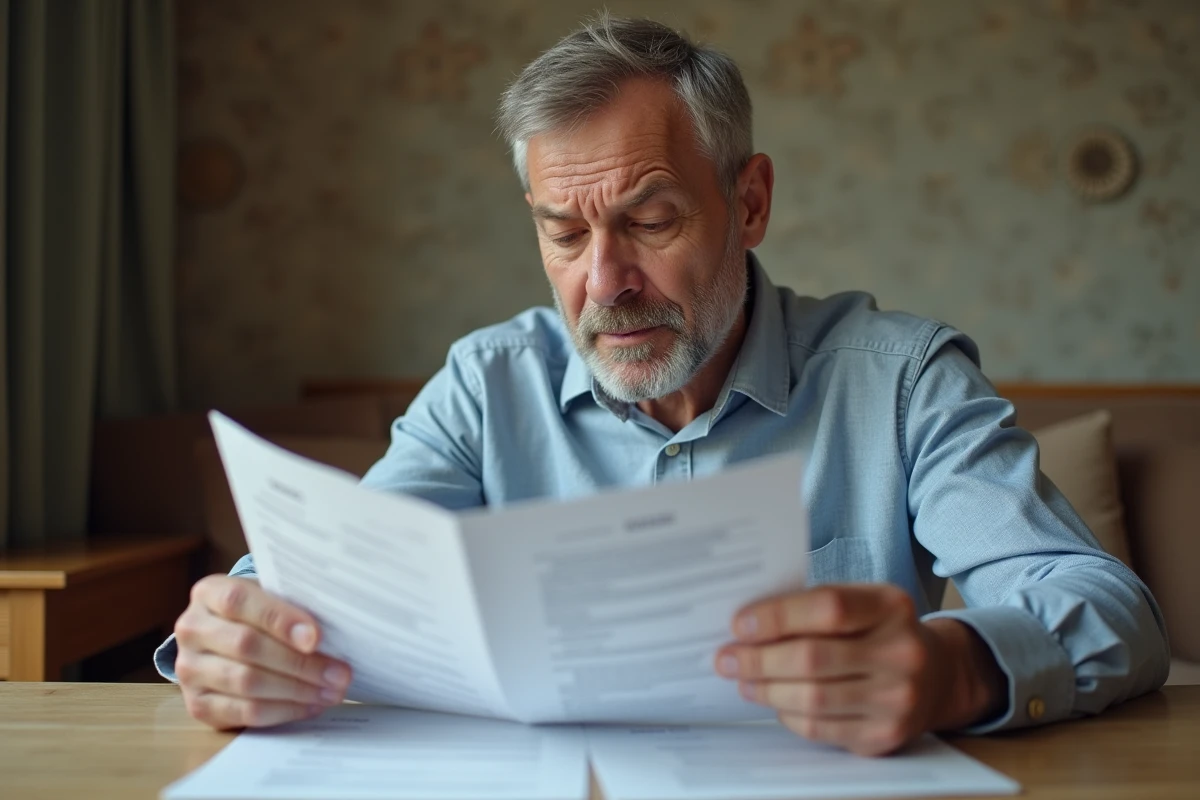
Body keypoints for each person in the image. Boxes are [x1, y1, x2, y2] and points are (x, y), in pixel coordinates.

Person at [156, 15, 1168, 755]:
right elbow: (348, 572)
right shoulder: (486, 384)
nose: (604, 282)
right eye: (563, 232)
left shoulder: (900, 382)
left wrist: (958, 666)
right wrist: (243, 622)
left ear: (751, 200)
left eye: (649, 220)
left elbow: (1104, 606)